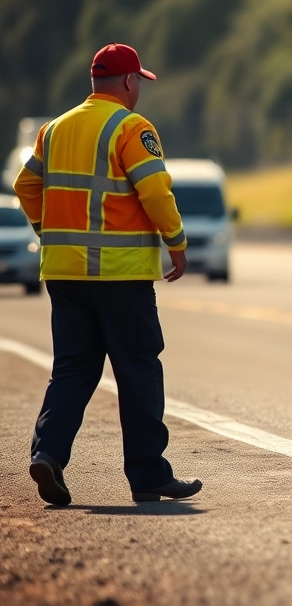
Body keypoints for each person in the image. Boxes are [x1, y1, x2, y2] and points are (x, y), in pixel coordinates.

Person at [13, 43, 201, 506]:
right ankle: (148, 475)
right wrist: (176, 244)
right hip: (119, 277)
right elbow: (155, 191)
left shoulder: (53, 130)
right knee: (137, 372)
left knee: (73, 370)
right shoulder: (130, 127)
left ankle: (49, 454)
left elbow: (25, 185)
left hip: (64, 274)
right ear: (130, 82)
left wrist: (49, 231)